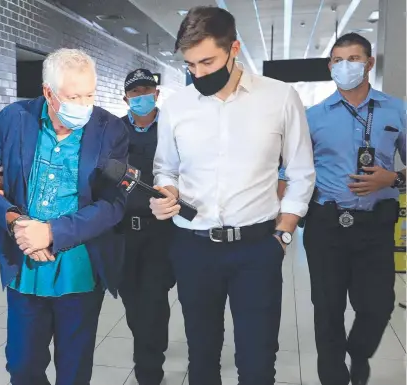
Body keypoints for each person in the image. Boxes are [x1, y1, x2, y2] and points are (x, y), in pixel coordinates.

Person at [150, 6, 315, 385]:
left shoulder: (279, 98)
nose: (199, 74)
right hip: (193, 246)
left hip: (257, 248)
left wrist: (284, 232)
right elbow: (166, 168)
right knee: (202, 356)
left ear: (234, 48)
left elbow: (302, 172)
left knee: (257, 362)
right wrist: (167, 191)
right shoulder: (177, 106)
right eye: (190, 65)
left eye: (207, 62)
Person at [0, 48, 129, 385]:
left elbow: (114, 203)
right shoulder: (16, 118)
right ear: (48, 92)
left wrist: (53, 232)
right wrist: (16, 222)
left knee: (73, 371)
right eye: (74, 96)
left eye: (89, 95)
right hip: (24, 265)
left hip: (79, 266)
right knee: (21, 366)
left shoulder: (109, 129)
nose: (84, 105)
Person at [303, 32, 406, 385]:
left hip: (375, 227)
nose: (345, 66)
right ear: (330, 65)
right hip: (326, 225)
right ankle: (334, 376)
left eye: (354, 59)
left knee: (377, 307)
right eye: (337, 60)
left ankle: (359, 353)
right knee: (327, 310)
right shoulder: (313, 116)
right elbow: (294, 170)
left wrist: (391, 179)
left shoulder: (397, 109)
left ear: (369, 63)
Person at [119, 68, 175, 385]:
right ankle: (149, 342)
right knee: (131, 297)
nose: (141, 97)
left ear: (157, 93)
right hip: (124, 230)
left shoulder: (172, 127)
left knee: (153, 297)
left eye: (146, 91)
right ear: (125, 97)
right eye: (134, 92)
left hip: (160, 230)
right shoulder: (113, 131)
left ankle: (149, 368)